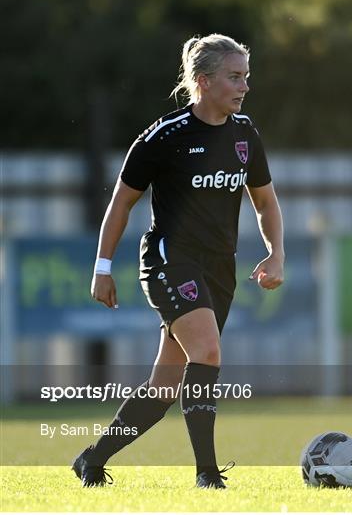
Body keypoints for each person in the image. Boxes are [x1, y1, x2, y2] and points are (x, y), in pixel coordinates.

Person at [72, 33, 285, 489]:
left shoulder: (245, 135)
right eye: (234, 77)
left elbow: (265, 203)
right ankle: (207, 473)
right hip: (170, 260)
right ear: (204, 81)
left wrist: (276, 252)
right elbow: (121, 204)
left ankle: (92, 457)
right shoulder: (163, 137)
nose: (244, 86)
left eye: (246, 76)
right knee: (207, 350)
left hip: (218, 268)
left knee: (163, 388)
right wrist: (102, 268)